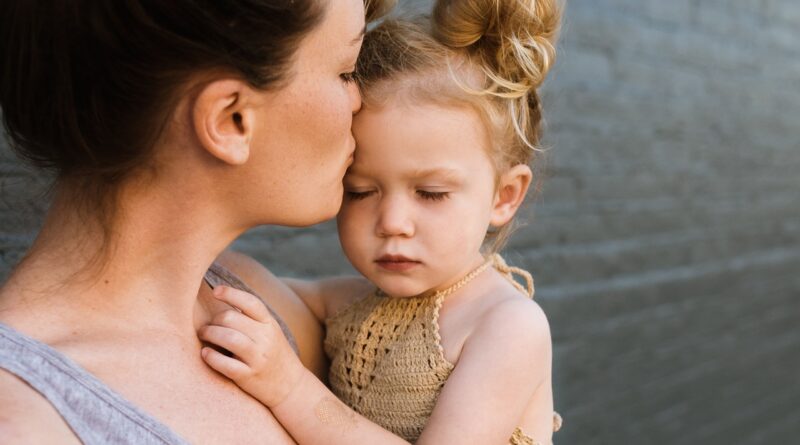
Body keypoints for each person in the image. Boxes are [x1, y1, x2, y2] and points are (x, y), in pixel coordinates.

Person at [0, 0, 393, 443]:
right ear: (230, 119)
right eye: (346, 72)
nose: (360, 101)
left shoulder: (253, 301)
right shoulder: (25, 423)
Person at [198, 0, 564, 444]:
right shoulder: (353, 304)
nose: (392, 223)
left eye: (430, 193)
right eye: (360, 191)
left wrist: (290, 388)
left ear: (503, 196)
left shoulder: (506, 325)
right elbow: (253, 286)